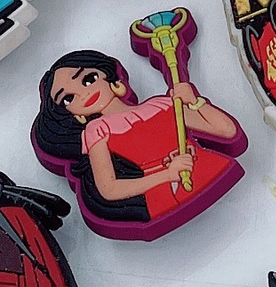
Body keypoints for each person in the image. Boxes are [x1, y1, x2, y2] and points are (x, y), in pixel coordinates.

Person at [32, 47, 242, 231]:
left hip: (209, 170)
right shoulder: (98, 130)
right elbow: (109, 189)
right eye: (68, 98)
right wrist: (167, 175)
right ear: (72, 113)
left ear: (109, 78)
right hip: (165, 194)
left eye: (89, 80)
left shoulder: (160, 104)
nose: (84, 94)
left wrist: (196, 102)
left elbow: (227, 131)